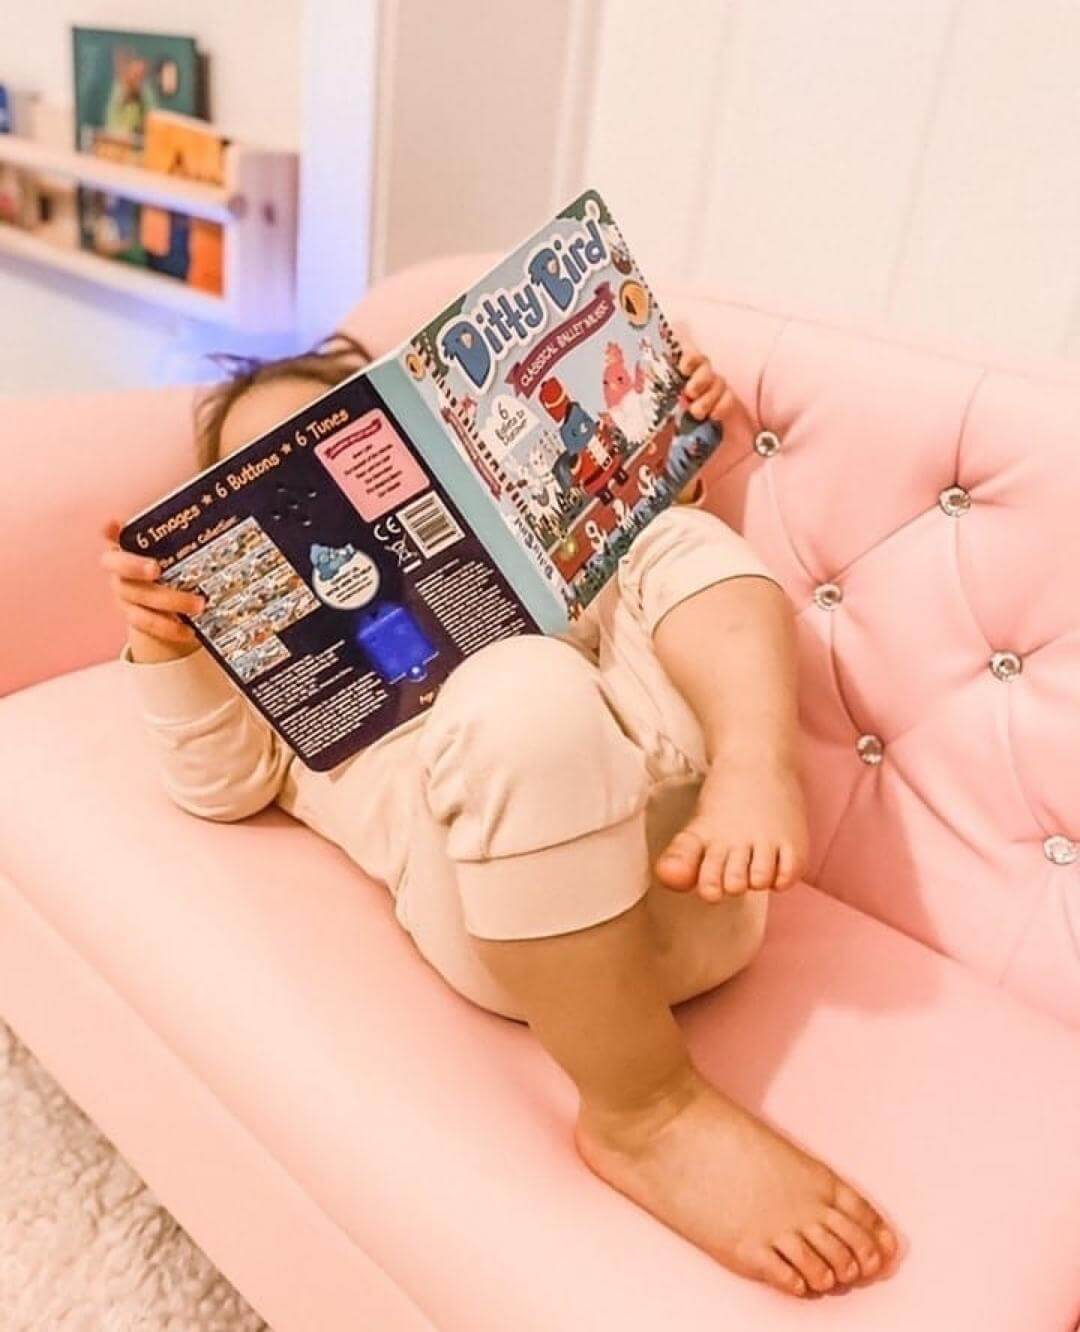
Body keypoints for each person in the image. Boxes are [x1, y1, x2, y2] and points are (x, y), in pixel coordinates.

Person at [101, 330, 898, 1299]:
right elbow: (216, 783)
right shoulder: (268, 687)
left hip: (704, 868)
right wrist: (172, 649)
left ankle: (757, 763)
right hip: (521, 935)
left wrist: (663, 438)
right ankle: (643, 1110)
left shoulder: (533, 578)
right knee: (517, 687)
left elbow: (659, 600)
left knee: (666, 541)